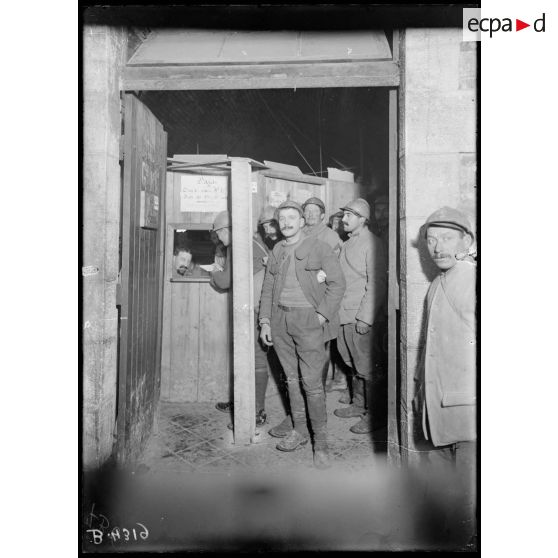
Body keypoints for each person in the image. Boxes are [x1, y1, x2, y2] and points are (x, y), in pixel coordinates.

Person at [259, 200, 346, 469]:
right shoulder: (276, 249)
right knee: (292, 380)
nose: (286, 223)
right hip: (280, 319)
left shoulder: (318, 247)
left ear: (301, 221)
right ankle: (299, 431)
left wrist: (321, 315)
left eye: (291, 218)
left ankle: (321, 444)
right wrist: (265, 321)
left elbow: (337, 283)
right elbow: (268, 286)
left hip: (308, 320)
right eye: (281, 219)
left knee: (311, 383)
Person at [413, 206, 476, 539]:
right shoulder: (438, 283)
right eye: (432, 239)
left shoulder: (474, 282)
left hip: (468, 412)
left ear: (466, 241)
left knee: (467, 503)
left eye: (447, 238)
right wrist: (420, 391)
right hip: (437, 407)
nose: (437, 247)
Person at [210, 210, 270, 427]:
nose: (219, 238)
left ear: (225, 230)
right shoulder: (251, 242)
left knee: (255, 360)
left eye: (219, 233)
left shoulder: (237, 246)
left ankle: (256, 412)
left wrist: (213, 274)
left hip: (256, 310)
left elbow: (225, 281)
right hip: (259, 307)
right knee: (248, 359)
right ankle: (243, 403)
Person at [333, 198, 387, 434]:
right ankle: (358, 405)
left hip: (359, 317)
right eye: (344, 215)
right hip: (344, 315)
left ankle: (374, 416)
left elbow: (377, 282)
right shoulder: (347, 243)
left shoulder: (371, 243)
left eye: (349, 215)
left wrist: (365, 317)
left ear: (363, 219)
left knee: (367, 368)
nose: (344, 219)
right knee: (352, 363)